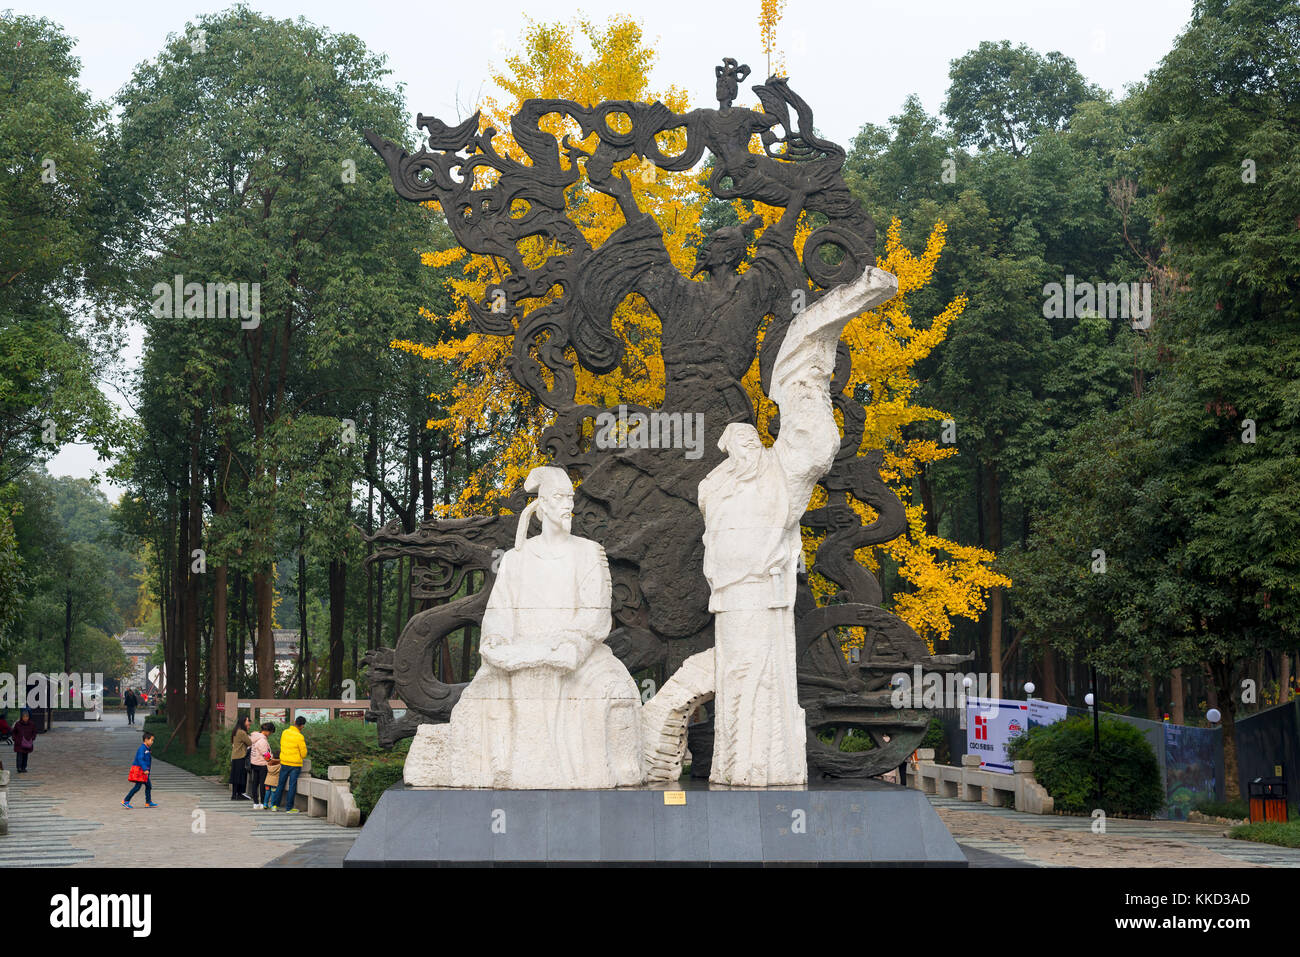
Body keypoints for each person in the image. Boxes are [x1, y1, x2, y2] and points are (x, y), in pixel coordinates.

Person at [402, 466, 643, 789]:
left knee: (610, 689)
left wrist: (573, 643)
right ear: (541, 506)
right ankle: (499, 768)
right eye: (559, 498)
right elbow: (499, 611)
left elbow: (596, 613)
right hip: (522, 651)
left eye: (570, 498)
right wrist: (497, 641)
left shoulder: (588, 552)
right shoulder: (517, 559)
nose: (567, 505)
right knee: (481, 697)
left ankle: (599, 769)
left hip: (578, 654)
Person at [268, 716, 307, 813]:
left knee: (280, 784)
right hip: (295, 765)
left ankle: (274, 805)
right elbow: (303, 754)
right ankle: (289, 808)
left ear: (294, 722)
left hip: (284, 762)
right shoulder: (299, 737)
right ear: (302, 726)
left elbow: (282, 744)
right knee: (292, 785)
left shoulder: (285, 732)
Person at [122, 732, 157, 808]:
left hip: (144, 772)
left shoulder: (146, 748)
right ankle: (126, 801)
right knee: (137, 787)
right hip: (140, 771)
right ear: (146, 740)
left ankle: (148, 802)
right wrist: (145, 769)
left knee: (148, 786)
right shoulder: (142, 749)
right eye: (151, 740)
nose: (152, 742)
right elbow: (140, 759)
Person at [248, 722, 273, 809]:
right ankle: (262, 802)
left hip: (254, 763)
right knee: (262, 784)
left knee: (255, 783)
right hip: (262, 764)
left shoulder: (254, 738)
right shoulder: (262, 740)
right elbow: (265, 754)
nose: (270, 734)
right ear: (266, 731)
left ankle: (255, 803)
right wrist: (271, 760)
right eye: (270, 732)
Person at [229, 715, 253, 800]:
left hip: (235, 756)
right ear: (243, 722)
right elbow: (250, 743)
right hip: (241, 756)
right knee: (241, 776)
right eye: (247, 721)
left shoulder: (236, 731)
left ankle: (234, 795)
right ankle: (239, 794)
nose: (248, 722)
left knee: (236, 776)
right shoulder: (242, 732)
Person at [11, 708, 36, 773]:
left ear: (28, 717)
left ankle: (23, 767)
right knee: (19, 755)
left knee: (25, 755)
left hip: (27, 742)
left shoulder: (31, 724)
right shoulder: (18, 724)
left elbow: (34, 732)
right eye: (24, 717)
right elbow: (14, 732)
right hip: (19, 742)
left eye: (26, 716)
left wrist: (32, 738)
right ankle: (19, 767)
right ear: (21, 717)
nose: (25, 718)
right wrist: (14, 738)